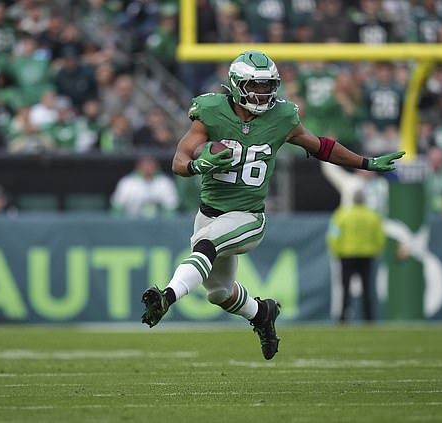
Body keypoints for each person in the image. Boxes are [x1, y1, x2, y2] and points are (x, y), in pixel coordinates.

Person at [139, 50, 404, 360]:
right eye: (257, 86)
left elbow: (321, 146)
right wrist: (198, 166)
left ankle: (167, 297)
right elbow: (179, 160)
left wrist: (365, 162)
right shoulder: (211, 111)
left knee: (205, 245)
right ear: (237, 85)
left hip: (248, 216)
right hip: (209, 212)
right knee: (219, 293)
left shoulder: (283, 117)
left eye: (268, 86)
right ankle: (261, 314)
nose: (264, 93)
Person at [326, 191, 386, 323]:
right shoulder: (372, 216)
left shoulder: (342, 215)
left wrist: (336, 251)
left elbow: (333, 234)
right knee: (367, 288)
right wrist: (375, 250)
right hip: (366, 255)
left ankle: (343, 317)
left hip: (347, 256)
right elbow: (380, 236)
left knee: (345, 288)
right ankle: (368, 318)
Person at [111, 154, 179, 218]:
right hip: (131, 224)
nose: (148, 168)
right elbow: (117, 209)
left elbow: (171, 209)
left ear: (156, 166)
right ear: (138, 166)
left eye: (151, 164)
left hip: (159, 225)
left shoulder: (165, 182)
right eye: (145, 164)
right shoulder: (127, 183)